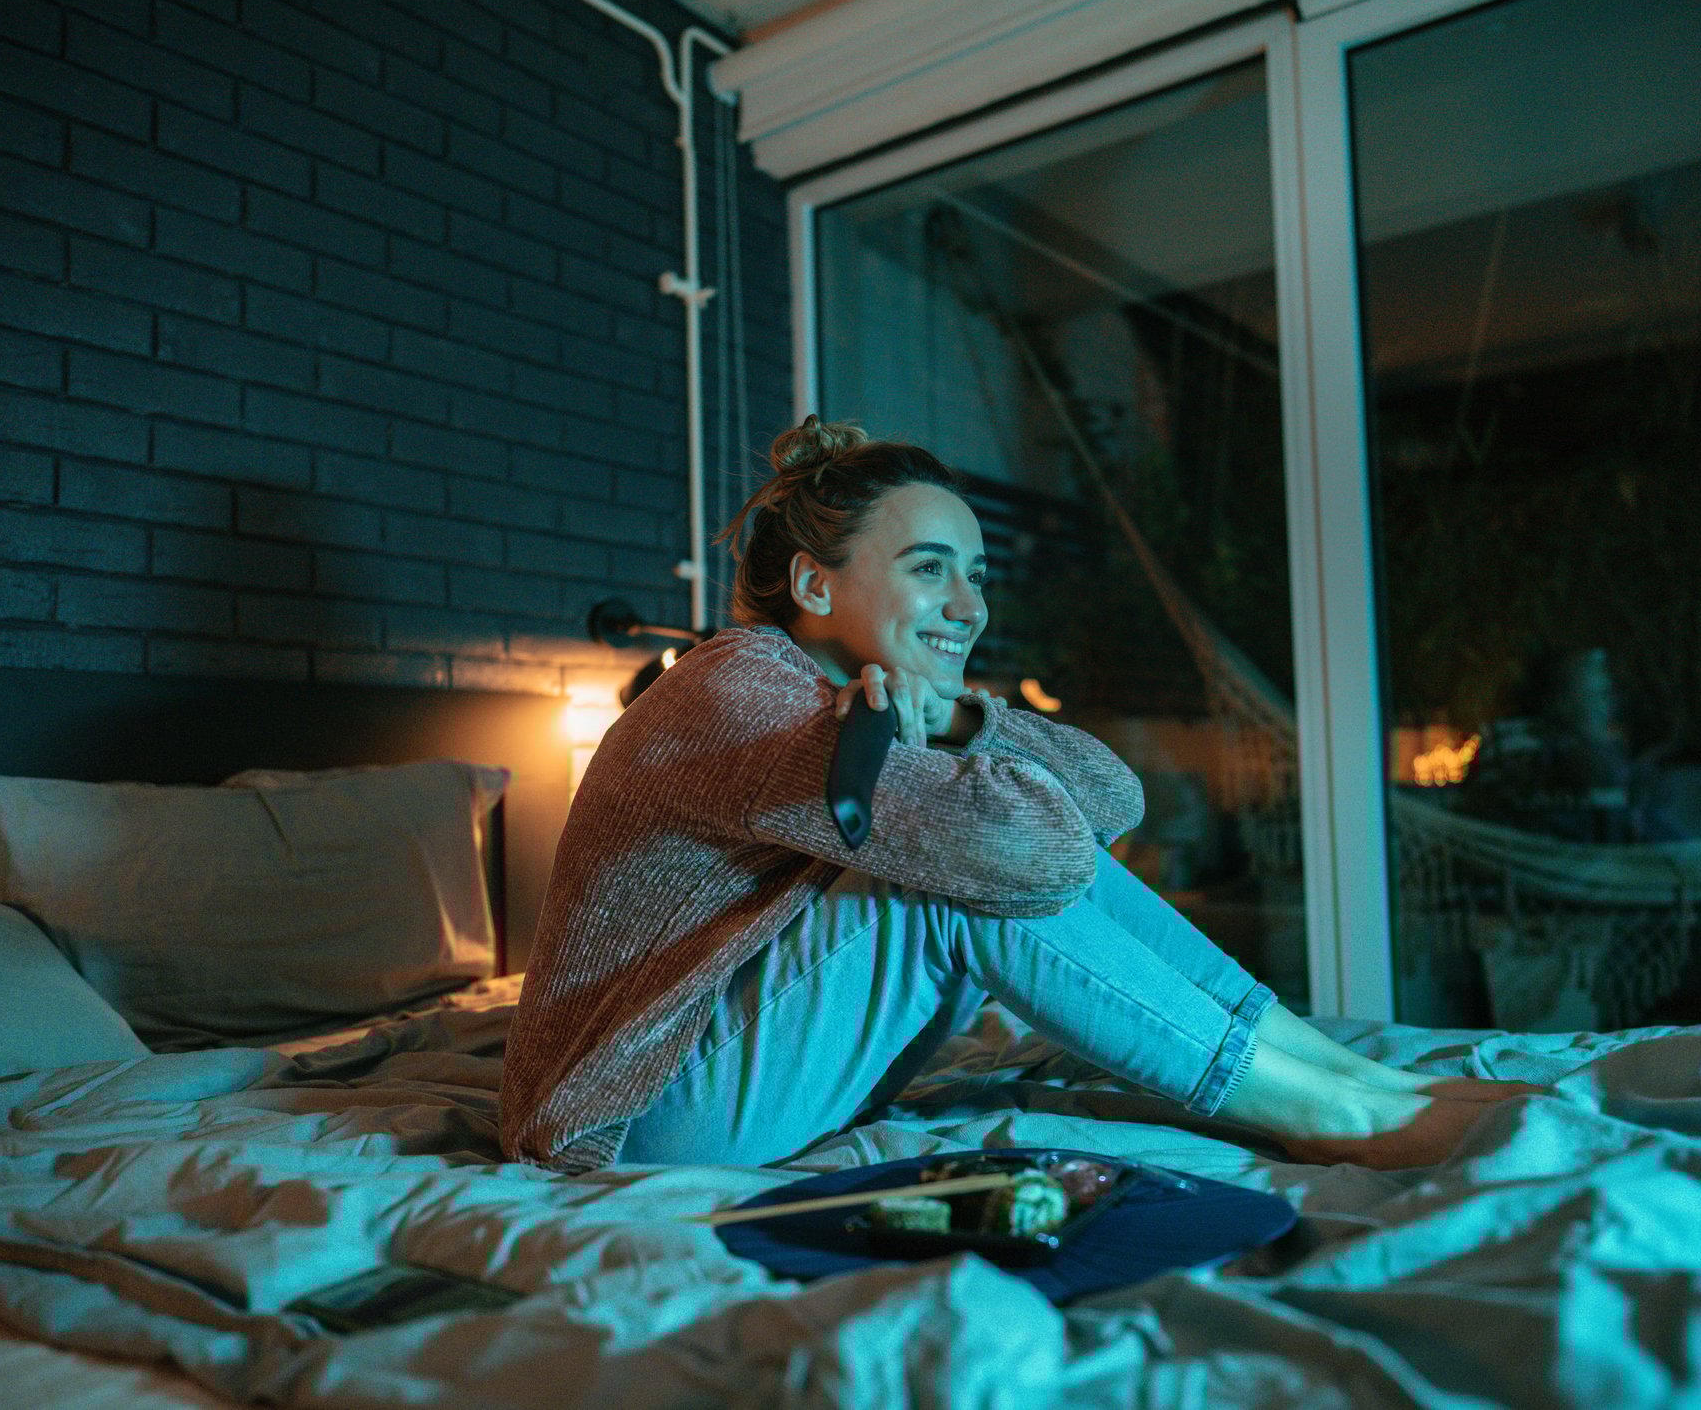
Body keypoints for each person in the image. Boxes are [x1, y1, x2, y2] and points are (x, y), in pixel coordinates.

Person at [500, 418, 1536, 1173]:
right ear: (817, 586)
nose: (970, 604)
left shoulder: (847, 698)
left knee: (989, 835)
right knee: (959, 874)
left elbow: (1113, 801)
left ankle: (1336, 1076)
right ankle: (1331, 1111)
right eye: (931, 568)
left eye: (978, 573)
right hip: (628, 1113)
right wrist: (957, 755)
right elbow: (1038, 858)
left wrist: (964, 720)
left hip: (714, 1079)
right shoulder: (741, 692)